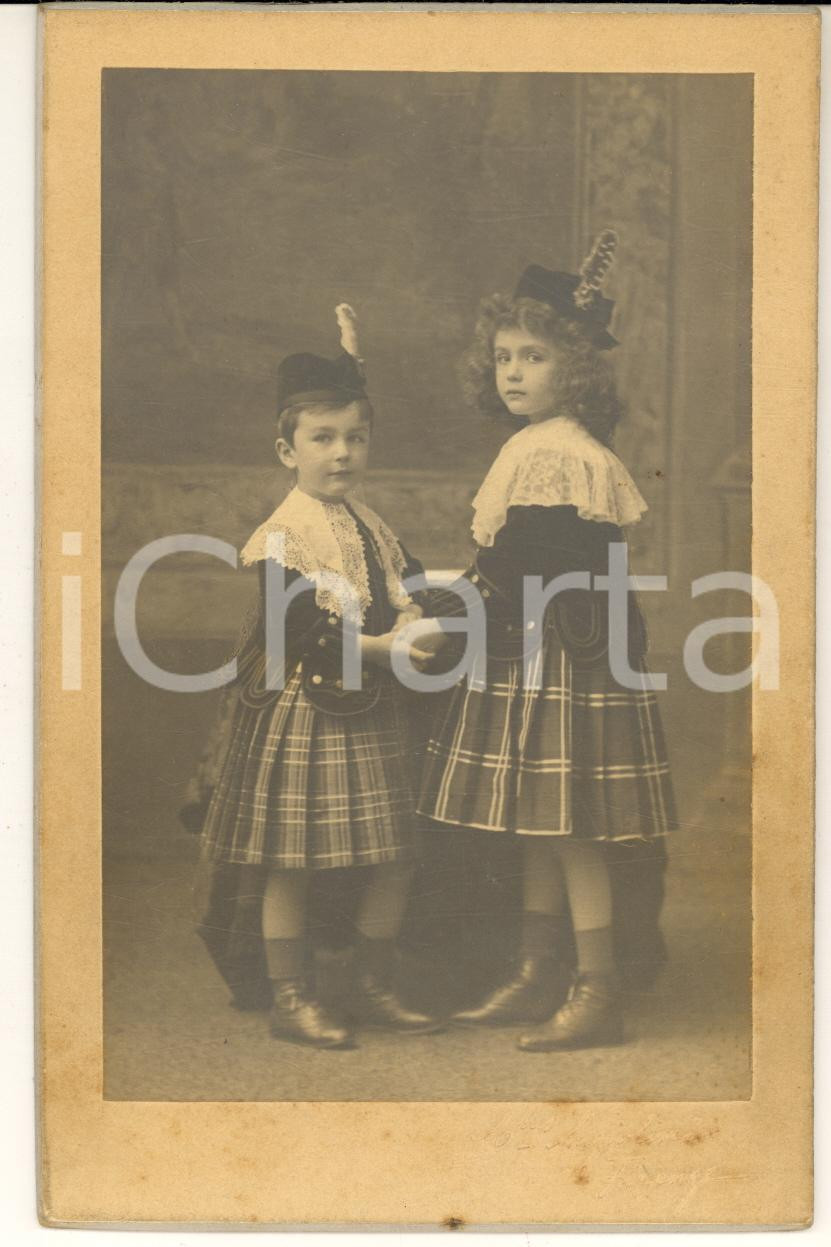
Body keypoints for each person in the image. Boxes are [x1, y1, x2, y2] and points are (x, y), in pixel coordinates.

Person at [417, 232, 677, 1051]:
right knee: (540, 821)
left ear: (575, 367)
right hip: (540, 648)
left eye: (532, 355)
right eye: (502, 356)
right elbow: (511, 563)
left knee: (567, 827)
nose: (513, 372)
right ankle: (537, 970)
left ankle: (595, 988)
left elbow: (520, 567)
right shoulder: (534, 447)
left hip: (561, 654)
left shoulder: (560, 454)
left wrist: (444, 610)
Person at [198, 305, 443, 1049]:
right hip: (308, 707)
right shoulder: (285, 532)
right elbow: (302, 627)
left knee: (396, 853)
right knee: (292, 861)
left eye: (355, 436)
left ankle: (369, 980)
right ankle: (291, 995)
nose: (342, 453)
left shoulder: (369, 520)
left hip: (371, 706)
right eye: (323, 438)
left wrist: (426, 613)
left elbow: (403, 583)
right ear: (287, 448)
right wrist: (384, 649)